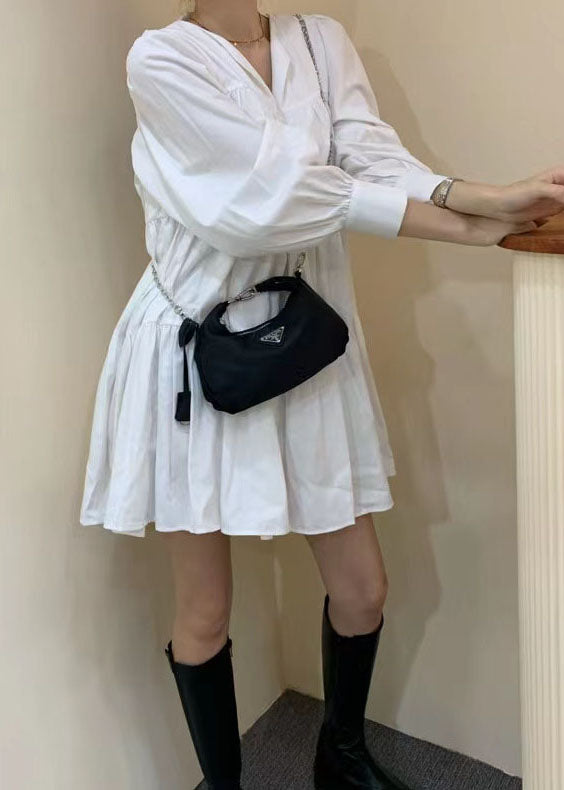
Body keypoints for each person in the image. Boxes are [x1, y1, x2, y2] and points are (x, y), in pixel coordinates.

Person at [79, 2, 564, 788]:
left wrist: (469, 194)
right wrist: (469, 221)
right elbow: (261, 207)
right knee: (205, 609)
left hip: (304, 341)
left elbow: (371, 158)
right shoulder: (162, 60)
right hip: (196, 356)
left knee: (362, 589)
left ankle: (339, 755)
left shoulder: (319, 40)